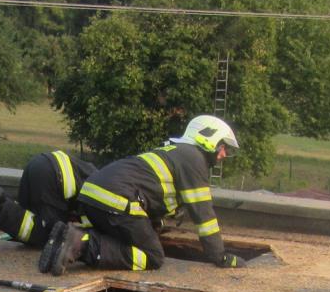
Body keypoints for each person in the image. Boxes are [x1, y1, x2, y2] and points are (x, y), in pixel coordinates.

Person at [40, 115, 243, 275]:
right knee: (153, 256)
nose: (224, 154)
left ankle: (64, 239)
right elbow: (204, 216)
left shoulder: (172, 150)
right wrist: (220, 256)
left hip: (92, 196)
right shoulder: (194, 158)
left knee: (126, 242)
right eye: (222, 147)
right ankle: (81, 244)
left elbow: (149, 189)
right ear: (208, 137)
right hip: (116, 200)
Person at [0, 149, 97, 270]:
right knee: (49, 237)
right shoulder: (103, 207)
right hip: (54, 177)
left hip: (40, 165)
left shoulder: (101, 178)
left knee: (27, 221)